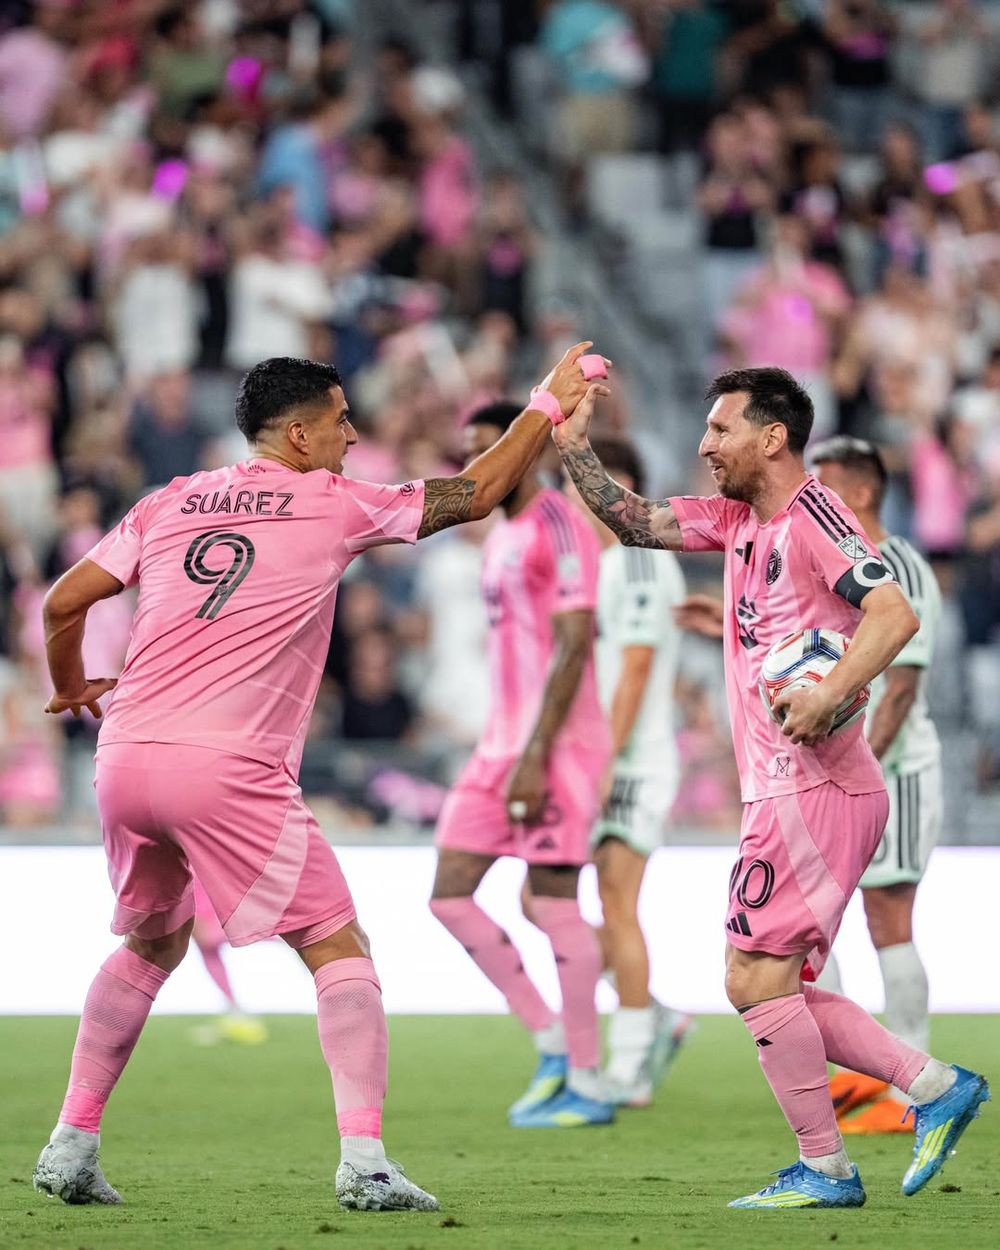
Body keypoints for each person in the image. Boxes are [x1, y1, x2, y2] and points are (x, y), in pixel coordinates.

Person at [32, 344, 603, 1213]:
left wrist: (71, 687)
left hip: (123, 757)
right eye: (341, 421)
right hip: (226, 768)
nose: (354, 433)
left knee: (149, 944)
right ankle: (366, 1165)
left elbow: (63, 602)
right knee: (341, 951)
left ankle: (70, 1144)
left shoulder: (170, 498)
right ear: (298, 435)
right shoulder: (332, 501)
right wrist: (545, 408)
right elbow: (477, 494)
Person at [552, 365, 989, 1208]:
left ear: (773, 436)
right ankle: (931, 1087)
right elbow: (635, 520)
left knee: (753, 979)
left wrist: (826, 694)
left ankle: (828, 1165)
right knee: (771, 981)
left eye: (720, 431)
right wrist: (570, 442)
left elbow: (895, 615)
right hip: (791, 788)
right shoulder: (740, 521)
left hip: (816, 784)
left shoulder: (816, 515)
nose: (704, 445)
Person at [430, 401, 614, 1129]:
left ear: (527, 450)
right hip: (499, 742)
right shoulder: (500, 536)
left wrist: (537, 753)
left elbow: (574, 644)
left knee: (557, 900)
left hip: (557, 744)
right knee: (449, 894)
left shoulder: (561, 524)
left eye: (493, 448)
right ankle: (550, 1042)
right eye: (472, 451)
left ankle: (590, 1079)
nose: (481, 464)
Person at [808, 438, 943, 1134]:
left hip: (897, 773)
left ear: (859, 494)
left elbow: (899, 691)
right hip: (849, 774)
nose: (816, 501)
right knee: (818, 931)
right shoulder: (848, 568)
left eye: (826, 488)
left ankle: (916, 1092)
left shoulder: (901, 567)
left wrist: (852, 768)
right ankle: (860, 1080)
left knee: (889, 920)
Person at [565, 435, 693, 1107]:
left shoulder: (639, 562)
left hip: (632, 762)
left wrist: (605, 764)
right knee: (569, 901)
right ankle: (654, 1019)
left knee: (616, 903)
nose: (576, 501)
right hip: (613, 757)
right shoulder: (610, 567)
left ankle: (633, 1058)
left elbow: (638, 669)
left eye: (588, 487)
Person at [189, 876, 268, 1047]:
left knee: (208, 941)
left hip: (199, 879)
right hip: (191, 882)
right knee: (208, 949)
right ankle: (234, 1007)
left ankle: (275, 934)